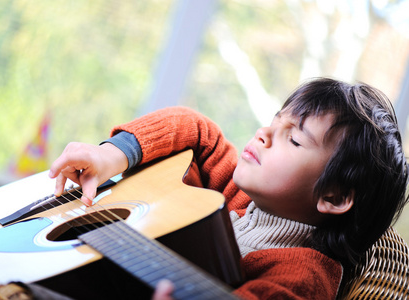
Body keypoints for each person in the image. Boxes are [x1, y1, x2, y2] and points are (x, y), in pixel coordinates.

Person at [48, 77, 408, 299]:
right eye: (273, 122)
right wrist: (112, 155)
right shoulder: (239, 198)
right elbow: (195, 128)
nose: (263, 134)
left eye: (294, 139)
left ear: (333, 197)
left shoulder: (305, 275)